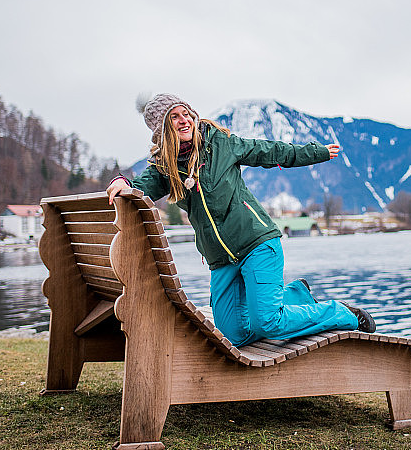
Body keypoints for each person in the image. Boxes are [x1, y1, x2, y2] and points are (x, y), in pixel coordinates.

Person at [106, 92, 376, 347]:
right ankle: (294, 295)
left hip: (256, 244)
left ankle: (343, 314)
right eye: (174, 117)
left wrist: (316, 152)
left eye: (185, 113)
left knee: (269, 324)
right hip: (222, 261)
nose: (184, 120)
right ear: (161, 129)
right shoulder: (165, 167)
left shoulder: (220, 144)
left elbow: (271, 151)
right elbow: (142, 186)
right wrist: (122, 182)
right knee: (234, 336)